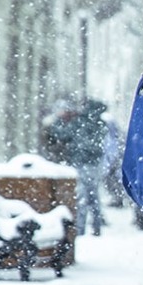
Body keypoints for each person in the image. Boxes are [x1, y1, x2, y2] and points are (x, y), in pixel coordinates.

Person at [44, 98, 109, 235]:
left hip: (80, 163)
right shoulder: (100, 123)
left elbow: (62, 134)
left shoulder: (80, 121)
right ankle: (97, 227)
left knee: (82, 197)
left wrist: (54, 122)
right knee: (93, 196)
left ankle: (80, 229)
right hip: (95, 163)